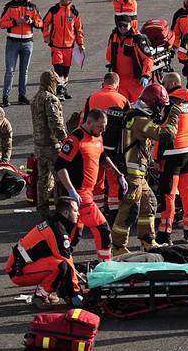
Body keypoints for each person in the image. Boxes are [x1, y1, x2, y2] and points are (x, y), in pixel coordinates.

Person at [55, 108, 124, 261]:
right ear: (89, 122)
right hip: (79, 193)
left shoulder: (98, 136)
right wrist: (71, 190)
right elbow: (60, 166)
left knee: (73, 235)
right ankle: (106, 265)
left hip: (87, 192)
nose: (103, 130)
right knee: (103, 229)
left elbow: (102, 157)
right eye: (100, 126)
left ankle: (61, 263)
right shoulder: (75, 139)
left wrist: (118, 175)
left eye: (105, 126)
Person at [111, 83, 169, 255]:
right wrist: (174, 115)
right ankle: (118, 247)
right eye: (161, 106)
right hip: (132, 174)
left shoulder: (140, 115)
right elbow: (164, 135)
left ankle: (147, 239)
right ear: (153, 103)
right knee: (129, 209)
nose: (161, 110)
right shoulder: (140, 120)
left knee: (149, 202)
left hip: (138, 173)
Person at [5, 196, 84, 310]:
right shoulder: (58, 231)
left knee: (61, 264)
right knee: (61, 266)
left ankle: (51, 290)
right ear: (66, 212)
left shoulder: (56, 223)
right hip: (18, 271)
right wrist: (74, 294)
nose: (78, 214)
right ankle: (40, 295)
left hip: (21, 264)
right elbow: (67, 261)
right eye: (75, 211)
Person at [155, 72, 188, 245]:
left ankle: (164, 233)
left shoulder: (169, 104)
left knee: (168, 194)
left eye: (165, 83)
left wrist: (156, 158)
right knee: (187, 192)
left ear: (173, 83)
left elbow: (162, 133)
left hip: (172, 154)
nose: (163, 86)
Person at [81, 73, 131, 214]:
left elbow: (82, 123)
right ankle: (114, 210)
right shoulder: (123, 100)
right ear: (117, 86)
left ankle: (96, 210)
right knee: (114, 180)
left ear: (103, 84)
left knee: (96, 180)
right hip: (114, 147)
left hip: (93, 146)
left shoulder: (91, 98)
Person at [30, 70, 68, 219]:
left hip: (39, 145)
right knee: (60, 179)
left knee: (43, 178)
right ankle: (61, 210)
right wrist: (65, 140)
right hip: (52, 146)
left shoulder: (35, 99)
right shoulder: (50, 99)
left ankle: (42, 210)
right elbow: (55, 124)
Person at [0, 0, 42, 107]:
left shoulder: (32, 6)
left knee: (24, 71)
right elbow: (2, 23)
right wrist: (15, 22)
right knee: (9, 71)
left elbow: (41, 23)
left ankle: (22, 96)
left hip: (28, 42)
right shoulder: (10, 6)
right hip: (12, 42)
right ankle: (5, 96)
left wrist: (32, 21)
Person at [42, 0, 85, 100]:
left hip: (69, 46)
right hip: (56, 45)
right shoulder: (54, 10)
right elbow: (44, 23)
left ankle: (63, 89)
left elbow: (78, 29)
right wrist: (46, 36)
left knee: (66, 71)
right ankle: (59, 90)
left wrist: (80, 43)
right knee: (58, 69)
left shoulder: (74, 12)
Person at [105, 17, 152, 102]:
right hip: (120, 81)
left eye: (125, 25)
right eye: (120, 25)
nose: (122, 28)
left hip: (136, 81)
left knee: (137, 107)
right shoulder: (114, 37)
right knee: (120, 105)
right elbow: (109, 57)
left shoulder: (138, 39)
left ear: (131, 24)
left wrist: (145, 75)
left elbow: (148, 59)